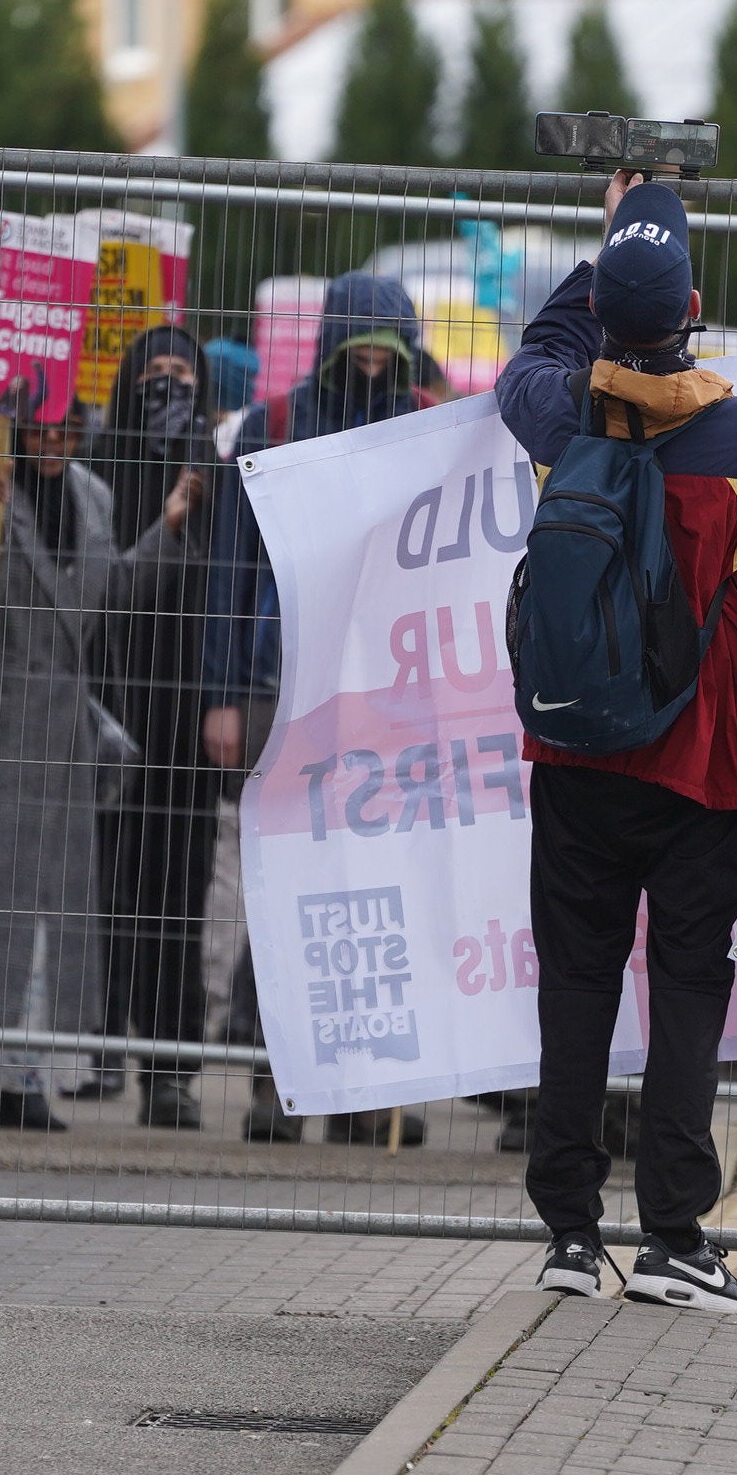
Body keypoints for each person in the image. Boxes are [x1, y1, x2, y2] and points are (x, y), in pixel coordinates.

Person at [504, 173, 737, 1312]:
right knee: (684, 991)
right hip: (699, 756)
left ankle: (568, 1236)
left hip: (575, 755)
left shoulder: (555, 411)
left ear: (605, 314)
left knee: (571, 988)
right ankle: (674, 1236)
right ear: (694, 309)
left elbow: (533, 353)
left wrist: (607, 241)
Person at [0, 408, 197, 1131]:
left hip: (51, 735)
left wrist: (166, 532)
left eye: (69, 432)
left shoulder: (93, 496)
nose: (55, 445)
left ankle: (16, 1079)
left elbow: (104, 599)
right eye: (42, 431)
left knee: (32, 917)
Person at [201, 272, 436, 1143]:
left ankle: (367, 1092)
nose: (373, 352)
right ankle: (277, 1082)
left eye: (389, 336)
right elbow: (230, 568)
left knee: (382, 892)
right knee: (288, 889)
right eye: (358, 335)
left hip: (388, 693)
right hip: (284, 686)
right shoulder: (272, 425)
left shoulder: (425, 419)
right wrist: (222, 692)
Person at [84, 325, 221, 1129]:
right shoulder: (102, 469)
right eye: (154, 373)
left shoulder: (219, 467)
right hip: (111, 709)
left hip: (190, 716)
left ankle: (171, 1068)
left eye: (183, 373)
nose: (168, 386)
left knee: (181, 895)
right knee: (107, 889)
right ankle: (101, 1039)